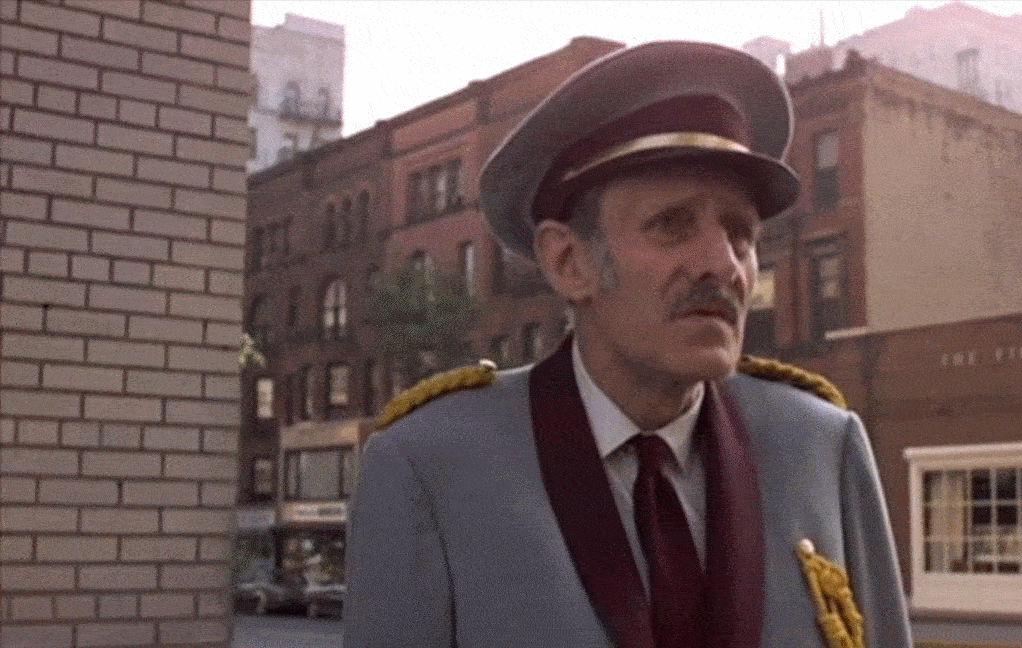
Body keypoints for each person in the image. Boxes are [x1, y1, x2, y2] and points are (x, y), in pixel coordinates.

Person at [343, 41, 912, 648]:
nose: (724, 264)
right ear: (570, 263)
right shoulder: (430, 467)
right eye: (672, 224)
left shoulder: (821, 446)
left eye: (740, 233)